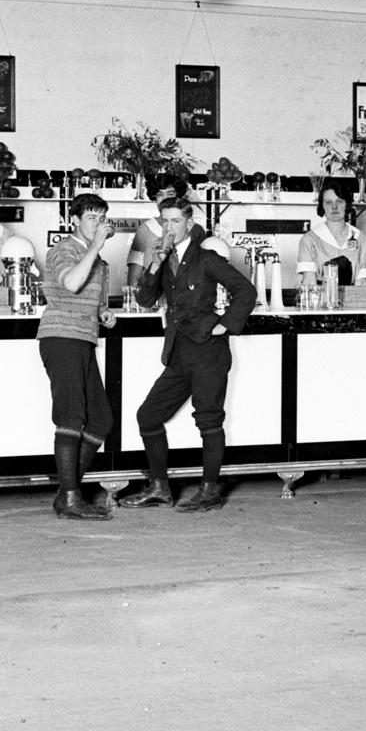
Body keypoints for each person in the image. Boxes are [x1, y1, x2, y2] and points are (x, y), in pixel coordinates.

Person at [119, 196, 259, 512]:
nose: (169, 228)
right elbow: (143, 299)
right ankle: (160, 489)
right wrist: (155, 263)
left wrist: (225, 326)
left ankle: (209, 492)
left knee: (208, 420)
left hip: (208, 351)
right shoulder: (164, 258)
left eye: (176, 221)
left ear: (189, 224)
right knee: (148, 416)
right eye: (165, 221)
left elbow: (245, 291)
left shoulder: (206, 257)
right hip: (179, 351)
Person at [38, 193, 117, 520]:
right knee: (71, 417)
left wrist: (101, 311)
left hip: (82, 338)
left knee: (100, 420)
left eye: (102, 218)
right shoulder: (64, 250)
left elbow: (85, 292)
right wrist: (97, 246)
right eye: (92, 218)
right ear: (75, 220)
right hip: (61, 338)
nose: (98, 224)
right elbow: (70, 282)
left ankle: (66, 494)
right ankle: (70, 498)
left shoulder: (90, 255)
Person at [124, 174, 199, 304]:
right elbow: (134, 279)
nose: (165, 199)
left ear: (179, 196)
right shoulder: (145, 230)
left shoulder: (195, 230)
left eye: (170, 193)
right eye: (160, 194)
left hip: (185, 306)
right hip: (153, 304)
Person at [298, 185, 366, 287]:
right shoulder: (309, 239)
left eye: (339, 201)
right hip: (321, 298)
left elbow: (361, 283)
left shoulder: (361, 239)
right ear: (322, 206)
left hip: (352, 298)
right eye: (328, 202)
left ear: (347, 204)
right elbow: (309, 282)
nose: (334, 207)